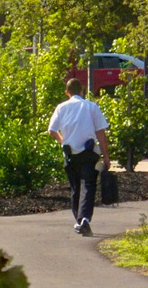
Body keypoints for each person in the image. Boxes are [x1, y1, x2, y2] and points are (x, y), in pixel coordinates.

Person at [48, 78, 110, 237]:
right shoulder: (91, 106)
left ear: (67, 92)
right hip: (89, 153)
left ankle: (79, 220)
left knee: (75, 188)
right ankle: (85, 220)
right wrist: (106, 156)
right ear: (82, 90)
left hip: (70, 154)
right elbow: (101, 133)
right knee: (88, 186)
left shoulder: (61, 108)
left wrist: (63, 141)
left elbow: (52, 130)